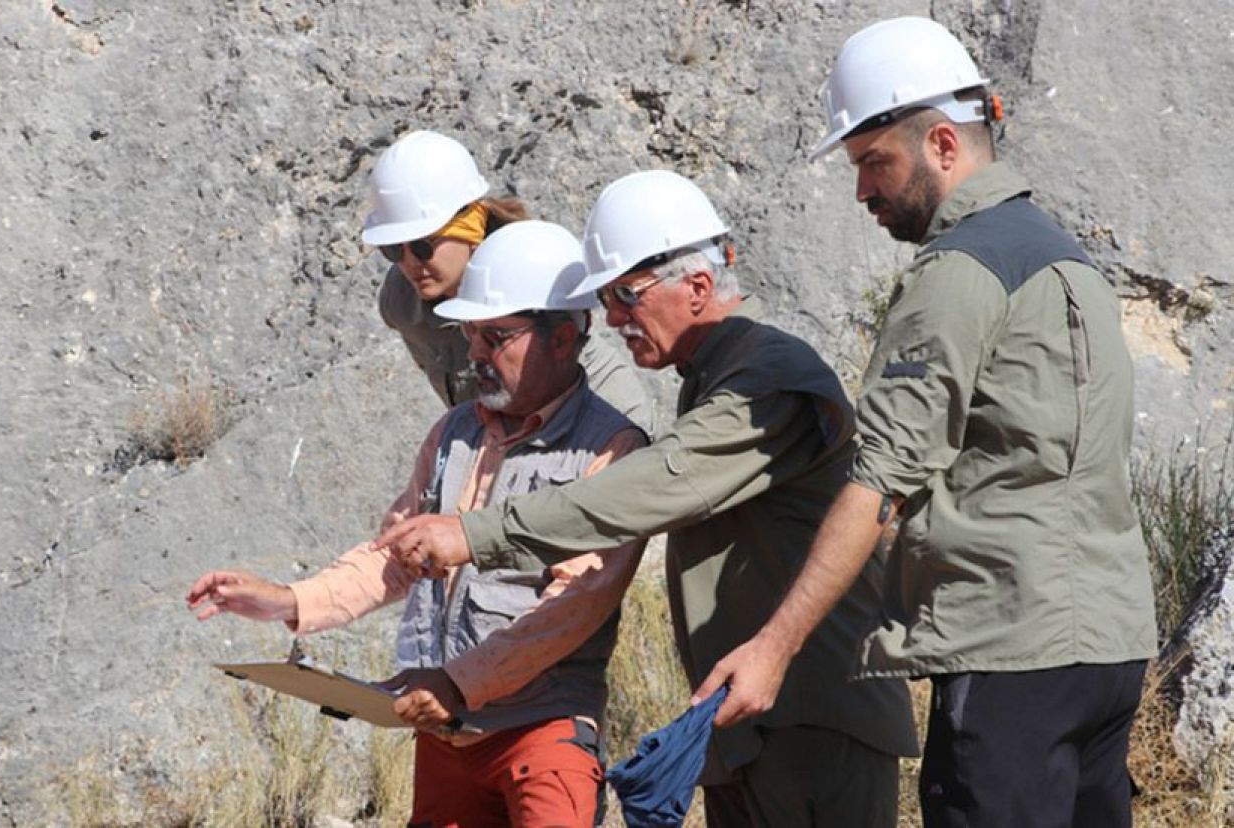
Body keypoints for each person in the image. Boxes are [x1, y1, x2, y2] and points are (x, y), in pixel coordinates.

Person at [692, 16, 1158, 828]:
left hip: (1011, 651)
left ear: (944, 144)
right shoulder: (1067, 259)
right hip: (1110, 651)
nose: (862, 191)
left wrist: (773, 647)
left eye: (876, 162)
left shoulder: (956, 271)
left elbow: (880, 483)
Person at [379, 170, 919, 827]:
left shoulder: (767, 375)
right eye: (605, 298)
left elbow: (661, 482)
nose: (610, 319)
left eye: (626, 296)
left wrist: (477, 533)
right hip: (750, 725)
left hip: (815, 719)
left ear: (696, 286)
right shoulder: (716, 374)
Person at [187, 220, 648, 827]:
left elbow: (574, 606)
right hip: (447, 736)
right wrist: (287, 600)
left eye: (495, 336)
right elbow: (394, 556)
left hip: (543, 732)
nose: (475, 353)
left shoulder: (612, 450)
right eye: (469, 334)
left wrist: (458, 682)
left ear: (562, 337)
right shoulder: (456, 432)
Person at [362, 129, 655, 432]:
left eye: (424, 247)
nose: (409, 263)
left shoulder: (536, 275)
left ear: (470, 229)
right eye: (393, 249)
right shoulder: (401, 301)